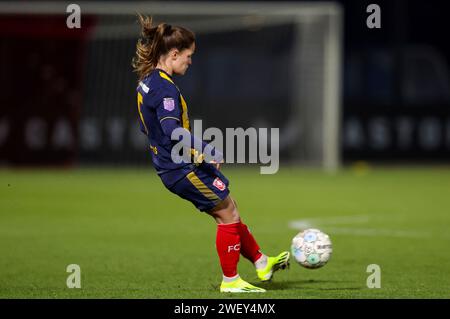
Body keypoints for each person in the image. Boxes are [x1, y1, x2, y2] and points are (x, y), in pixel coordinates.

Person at [131, 15, 289, 293]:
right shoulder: (164, 88)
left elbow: (152, 129)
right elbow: (171, 130)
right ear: (174, 54)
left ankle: (261, 261)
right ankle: (230, 281)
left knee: (230, 207)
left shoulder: (148, 81)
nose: (190, 61)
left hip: (181, 161)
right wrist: (205, 147)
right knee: (227, 214)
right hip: (180, 168)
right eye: (188, 56)